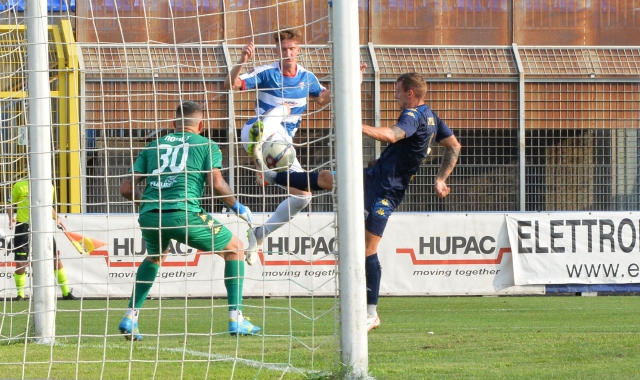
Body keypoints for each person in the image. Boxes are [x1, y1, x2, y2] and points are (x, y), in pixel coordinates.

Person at [263, 73, 461, 332]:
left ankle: (371, 313)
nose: (395, 95)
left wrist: (356, 126)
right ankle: (270, 175)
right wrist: (441, 178)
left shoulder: (412, 116)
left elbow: (392, 135)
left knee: (368, 249)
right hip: (372, 177)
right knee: (325, 178)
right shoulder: (432, 117)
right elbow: (454, 145)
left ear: (410, 94)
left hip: (386, 192)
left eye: (398, 91)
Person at [118, 101, 260, 341]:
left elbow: (125, 188)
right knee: (235, 249)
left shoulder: (153, 146)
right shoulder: (206, 144)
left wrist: (147, 204)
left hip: (150, 215)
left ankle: (130, 317)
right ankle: (237, 319)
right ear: (201, 125)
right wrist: (237, 207)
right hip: (184, 212)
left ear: (174, 124)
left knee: (155, 256)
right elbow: (217, 183)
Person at [223, 29, 366, 247]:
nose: (287, 53)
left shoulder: (307, 78)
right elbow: (231, 85)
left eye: (291, 49)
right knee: (283, 108)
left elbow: (323, 99)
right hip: (255, 132)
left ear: (298, 50)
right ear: (277, 51)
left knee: (303, 196)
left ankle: (260, 233)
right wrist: (242, 61)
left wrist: (352, 82)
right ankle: (258, 157)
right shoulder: (266, 73)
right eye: (283, 49)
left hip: (281, 147)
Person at [8, 177, 77, 301]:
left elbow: (48, 206)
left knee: (55, 259)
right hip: (23, 226)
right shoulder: (19, 185)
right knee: (20, 262)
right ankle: (20, 295)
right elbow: (10, 203)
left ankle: (66, 293)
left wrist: (57, 218)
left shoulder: (48, 186)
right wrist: (11, 218)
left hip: (43, 226)